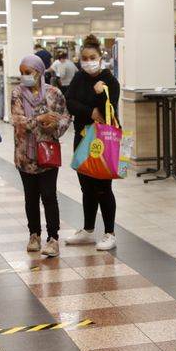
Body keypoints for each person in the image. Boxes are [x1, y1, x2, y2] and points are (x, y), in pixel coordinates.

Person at [64, 34, 121, 251]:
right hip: (81, 137)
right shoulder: (79, 78)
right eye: (85, 58)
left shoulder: (109, 81)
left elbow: (109, 112)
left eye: (92, 57)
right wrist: (90, 111)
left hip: (102, 140)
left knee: (103, 187)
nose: (88, 61)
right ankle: (88, 230)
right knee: (86, 186)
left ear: (100, 57)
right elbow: (70, 102)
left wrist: (101, 95)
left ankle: (109, 233)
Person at [11, 55, 71, 257]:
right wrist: (39, 119)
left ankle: (53, 238)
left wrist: (55, 126)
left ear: (39, 72)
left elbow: (65, 116)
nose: (24, 77)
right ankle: (34, 235)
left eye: (28, 72)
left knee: (48, 195)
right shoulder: (17, 93)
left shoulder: (54, 93)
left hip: (47, 154)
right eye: (22, 73)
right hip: (25, 155)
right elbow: (18, 120)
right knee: (30, 197)